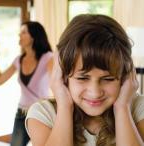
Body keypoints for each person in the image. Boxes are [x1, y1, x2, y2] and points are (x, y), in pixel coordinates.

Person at [25, 14, 144, 146]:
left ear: (124, 76)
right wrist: (65, 106)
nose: (95, 93)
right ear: (63, 75)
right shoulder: (43, 114)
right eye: (82, 78)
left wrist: (122, 108)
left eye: (108, 79)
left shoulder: (138, 109)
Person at [0, 21, 53, 146]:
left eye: (23, 32)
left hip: (41, 114)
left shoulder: (48, 58)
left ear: (33, 36)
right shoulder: (18, 60)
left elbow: (56, 83)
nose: (19, 35)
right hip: (22, 113)